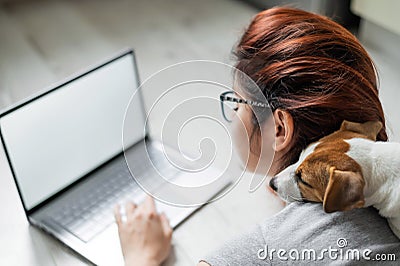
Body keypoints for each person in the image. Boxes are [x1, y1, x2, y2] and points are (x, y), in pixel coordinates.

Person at [114, 7, 400, 265]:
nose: (234, 113)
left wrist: (143, 254)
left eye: (237, 102)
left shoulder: (270, 248)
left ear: (280, 129)